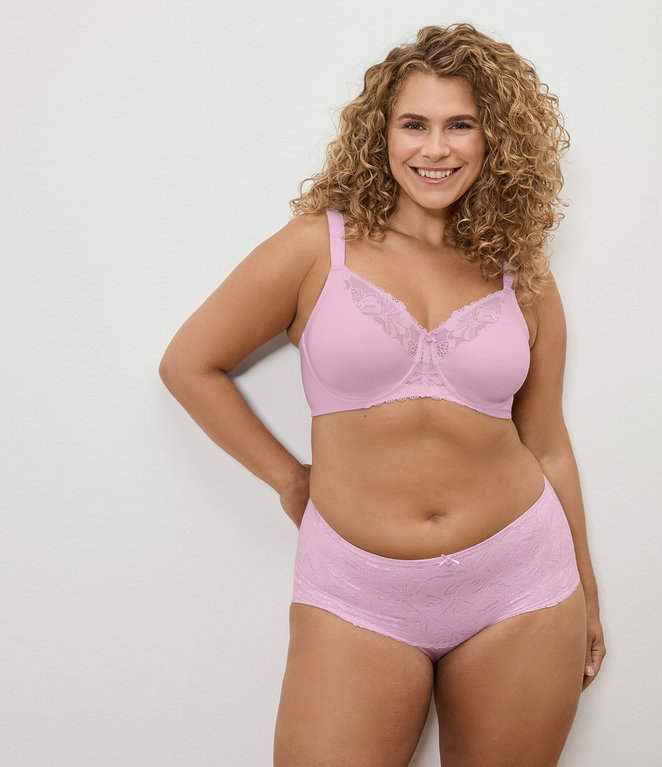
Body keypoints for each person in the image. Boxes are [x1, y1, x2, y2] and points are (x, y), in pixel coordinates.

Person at [160, 22, 605, 767]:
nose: (436, 148)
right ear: (381, 134)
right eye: (414, 124)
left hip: (521, 583)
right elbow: (190, 364)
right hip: (357, 593)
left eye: (461, 125)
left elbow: (548, 443)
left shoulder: (519, 273)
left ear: (494, 139)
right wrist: (290, 479)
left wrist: (585, 590)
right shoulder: (317, 247)